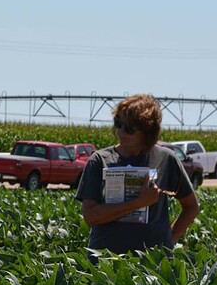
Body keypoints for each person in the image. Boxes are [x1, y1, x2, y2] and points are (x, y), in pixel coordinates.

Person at [75, 94, 199, 254]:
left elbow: (191, 207)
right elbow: (91, 216)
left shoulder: (165, 159)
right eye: (118, 123)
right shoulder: (99, 160)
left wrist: (168, 242)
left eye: (130, 128)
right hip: (107, 262)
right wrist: (139, 202)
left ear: (147, 131)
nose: (121, 131)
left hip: (152, 266)